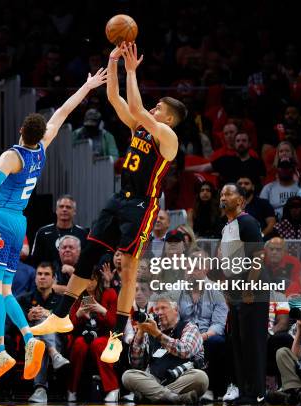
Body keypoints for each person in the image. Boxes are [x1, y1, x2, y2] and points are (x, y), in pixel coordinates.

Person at [0, 67, 108, 386]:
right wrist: (87, 87)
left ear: (20, 130)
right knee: (4, 291)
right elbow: (62, 112)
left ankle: (1, 351)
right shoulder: (42, 148)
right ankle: (30, 339)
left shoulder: (10, 157)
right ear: (39, 133)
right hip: (19, 223)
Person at [32, 43, 186, 366]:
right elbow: (116, 99)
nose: (153, 110)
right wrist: (114, 63)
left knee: (128, 268)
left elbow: (140, 109)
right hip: (120, 198)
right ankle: (61, 315)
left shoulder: (168, 138)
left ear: (168, 117)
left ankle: (116, 336)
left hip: (143, 205)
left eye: (159, 108)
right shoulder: (139, 127)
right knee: (89, 253)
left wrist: (132, 71)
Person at [219, 183, 267, 405]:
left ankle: (256, 392)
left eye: (228, 193)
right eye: (222, 194)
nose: (223, 197)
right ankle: (245, 390)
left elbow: (259, 254)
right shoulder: (227, 226)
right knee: (238, 341)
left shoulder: (247, 221)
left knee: (252, 342)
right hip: (236, 290)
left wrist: (249, 286)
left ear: (240, 200)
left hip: (252, 289)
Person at [122, 293, 208, 404]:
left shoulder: (189, 327)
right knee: (128, 376)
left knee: (201, 378)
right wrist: (140, 332)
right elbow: (136, 363)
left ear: (176, 309)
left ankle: (152, 395)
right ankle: (175, 398)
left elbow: (185, 350)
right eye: (156, 309)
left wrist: (158, 334)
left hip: (182, 379)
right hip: (155, 379)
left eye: (164, 308)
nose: (159, 312)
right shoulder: (151, 331)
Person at [177, 248, 229, 402]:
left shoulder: (216, 290)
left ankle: (211, 389)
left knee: (217, 341)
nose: (192, 271)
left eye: (197, 267)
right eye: (189, 267)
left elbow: (219, 324)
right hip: (184, 336)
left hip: (207, 336)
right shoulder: (177, 290)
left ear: (206, 268)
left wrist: (202, 336)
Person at [17, 263, 70, 403]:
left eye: (46, 274)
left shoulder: (61, 300)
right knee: (39, 341)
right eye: (39, 274)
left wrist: (49, 315)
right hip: (29, 341)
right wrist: (28, 318)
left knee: (43, 324)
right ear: (35, 278)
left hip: (57, 339)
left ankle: (40, 389)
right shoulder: (23, 299)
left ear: (54, 279)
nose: (42, 277)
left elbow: (67, 324)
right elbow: (14, 324)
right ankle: (54, 354)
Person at [67, 268, 119, 402]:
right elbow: (68, 326)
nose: (89, 283)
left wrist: (102, 310)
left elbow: (116, 324)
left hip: (106, 336)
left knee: (99, 344)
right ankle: (71, 389)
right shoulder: (78, 296)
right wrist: (78, 315)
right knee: (79, 344)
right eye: (86, 280)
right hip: (84, 334)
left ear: (98, 280)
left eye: (92, 279)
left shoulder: (109, 293)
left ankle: (113, 388)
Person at [185, 133, 266, 188]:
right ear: (234, 144)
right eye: (238, 141)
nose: (241, 143)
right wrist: (183, 169)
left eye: (244, 141)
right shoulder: (225, 160)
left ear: (249, 144)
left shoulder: (258, 163)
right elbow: (202, 168)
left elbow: (262, 183)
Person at [30, 195, 88, 267]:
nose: (64, 209)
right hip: (49, 276)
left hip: (75, 275)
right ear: (56, 211)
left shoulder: (83, 233)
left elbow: (86, 260)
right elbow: (35, 260)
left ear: (74, 212)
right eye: (61, 206)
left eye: (68, 207)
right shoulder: (42, 232)